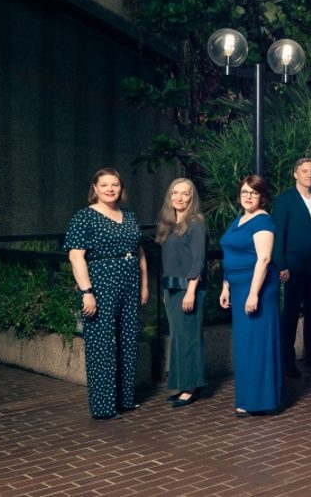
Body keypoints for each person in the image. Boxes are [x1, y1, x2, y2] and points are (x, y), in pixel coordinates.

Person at [65, 168, 148, 420]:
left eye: (115, 185)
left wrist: (144, 285)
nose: (111, 189)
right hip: (101, 283)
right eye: (105, 185)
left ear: (121, 189)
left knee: (127, 340)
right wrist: (86, 292)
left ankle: (124, 399)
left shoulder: (130, 216)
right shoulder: (84, 217)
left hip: (130, 283)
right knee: (102, 344)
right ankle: (103, 406)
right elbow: (75, 257)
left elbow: (140, 252)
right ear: (95, 189)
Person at [219, 175, 281, 417]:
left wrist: (254, 293)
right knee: (245, 345)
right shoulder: (240, 219)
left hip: (257, 288)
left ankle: (261, 401)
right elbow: (230, 256)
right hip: (238, 286)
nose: (248, 196)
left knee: (257, 344)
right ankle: (249, 397)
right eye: (244, 192)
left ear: (262, 197)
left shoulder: (263, 221)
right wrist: (226, 285)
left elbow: (264, 259)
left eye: (253, 193)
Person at [272, 158, 311, 377]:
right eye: (305, 171)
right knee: (290, 314)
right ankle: (287, 360)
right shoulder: (284, 200)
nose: (310, 175)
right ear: (295, 174)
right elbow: (279, 234)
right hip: (294, 266)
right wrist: (281, 264)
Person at [155, 178, 207, 408]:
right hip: (171, 288)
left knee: (189, 339)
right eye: (175, 193)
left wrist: (191, 291)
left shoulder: (196, 223)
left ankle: (192, 387)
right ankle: (183, 384)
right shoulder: (168, 223)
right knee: (178, 338)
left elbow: (198, 261)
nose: (179, 197)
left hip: (188, 289)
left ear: (191, 198)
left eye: (185, 194)